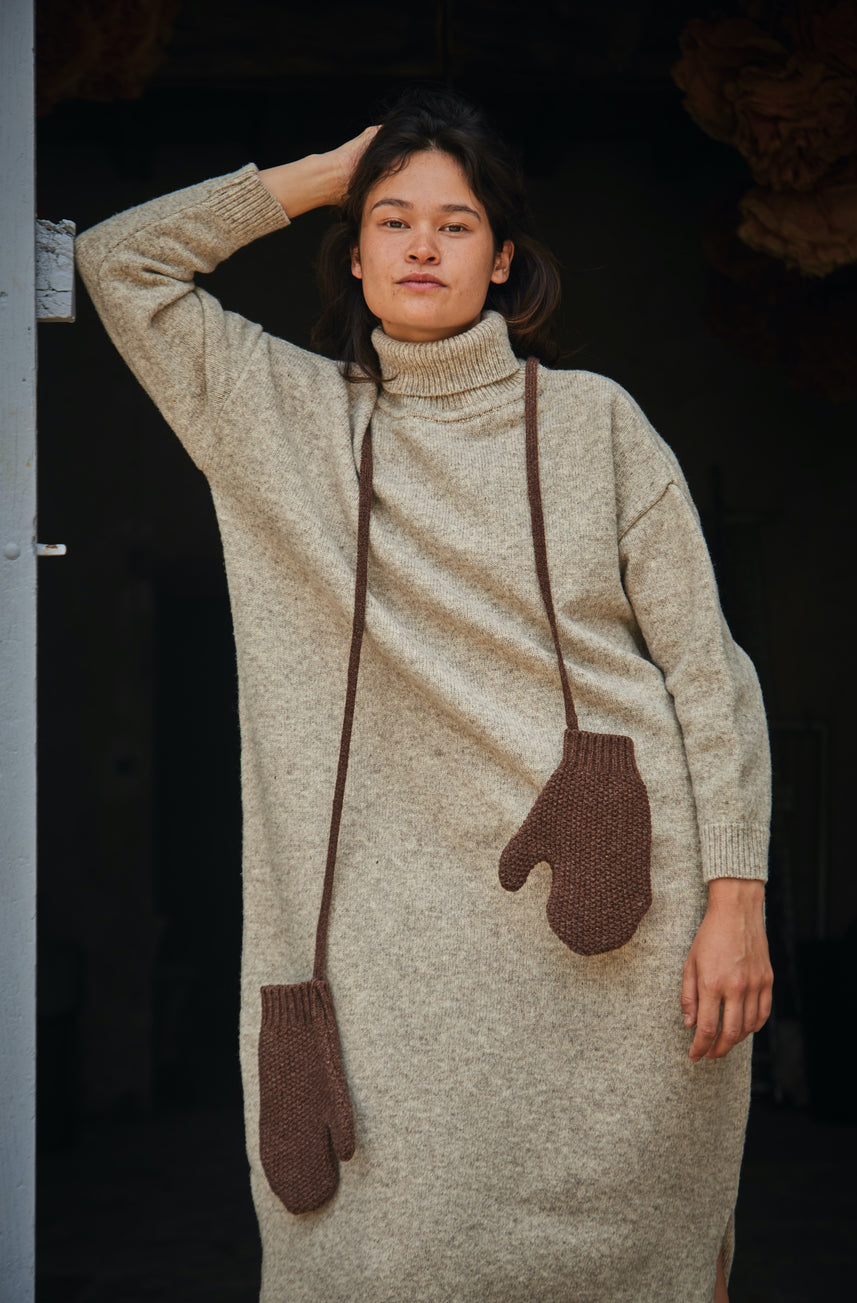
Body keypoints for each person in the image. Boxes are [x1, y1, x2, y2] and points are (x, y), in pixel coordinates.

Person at [75, 87, 773, 1303]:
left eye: (455, 226)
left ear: (502, 260)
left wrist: (735, 897)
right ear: (352, 252)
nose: (419, 246)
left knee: (640, 1260)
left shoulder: (595, 424)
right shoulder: (278, 416)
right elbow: (117, 264)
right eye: (390, 220)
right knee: (387, 1258)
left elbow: (706, 672)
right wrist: (319, 173)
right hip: (390, 964)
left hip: (614, 933)